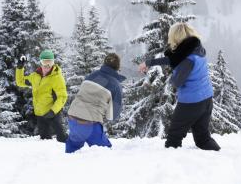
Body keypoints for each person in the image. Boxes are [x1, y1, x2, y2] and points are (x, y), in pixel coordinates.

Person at [139, 22, 221, 151]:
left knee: (173, 139)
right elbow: (173, 58)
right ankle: (219, 157)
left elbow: (177, 82)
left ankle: (172, 167)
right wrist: (149, 62)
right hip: (206, 99)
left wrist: (169, 75)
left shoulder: (187, 60)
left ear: (176, 37)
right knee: (203, 139)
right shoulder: (195, 49)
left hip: (191, 103)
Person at [65, 53, 126, 153]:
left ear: (104, 64)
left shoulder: (91, 76)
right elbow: (112, 116)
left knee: (72, 151)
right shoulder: (116, 85)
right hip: (90, 123)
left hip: (72, 117)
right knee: (105, 151)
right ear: (118, 67)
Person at [15, 49, 68, 142]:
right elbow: (20, 82)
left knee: (62, 138)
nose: (47, 65)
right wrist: (20, 68)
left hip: (53, 113)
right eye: (45, 62)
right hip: (40, 114)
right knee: (45, 140)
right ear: (41, 63)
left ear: (53, 63)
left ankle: (73, 152)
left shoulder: (57, 77)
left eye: (50, 62)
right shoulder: (35, 76)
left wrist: (53, 111)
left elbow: (62, 97)